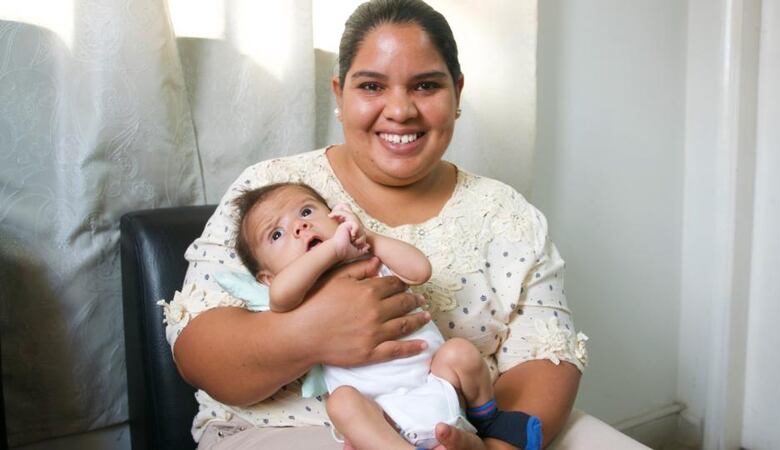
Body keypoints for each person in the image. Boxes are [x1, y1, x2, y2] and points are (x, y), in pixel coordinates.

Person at [161, 0, 588, 448]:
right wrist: (313, 333)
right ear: (339, 94)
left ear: (457, 93)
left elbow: (547, 355)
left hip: (454, 421)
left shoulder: (507, 214)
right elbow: (200, 350)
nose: (400, 110)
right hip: (287, 429)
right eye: (371, 86)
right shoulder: (272, 192)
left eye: (425, 85)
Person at [231, 181, 540, 449]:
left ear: (336, 216)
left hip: (437, 384)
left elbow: (420, 270)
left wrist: (369, 237)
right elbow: (280, 298)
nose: (300, 226)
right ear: (267, 277)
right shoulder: (299, 291)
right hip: (379, 414)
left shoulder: (371, 255)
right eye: (276, 234)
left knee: (460, 352)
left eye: (307, 211)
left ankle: (488, 418)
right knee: (342, 404)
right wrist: (332, 251)